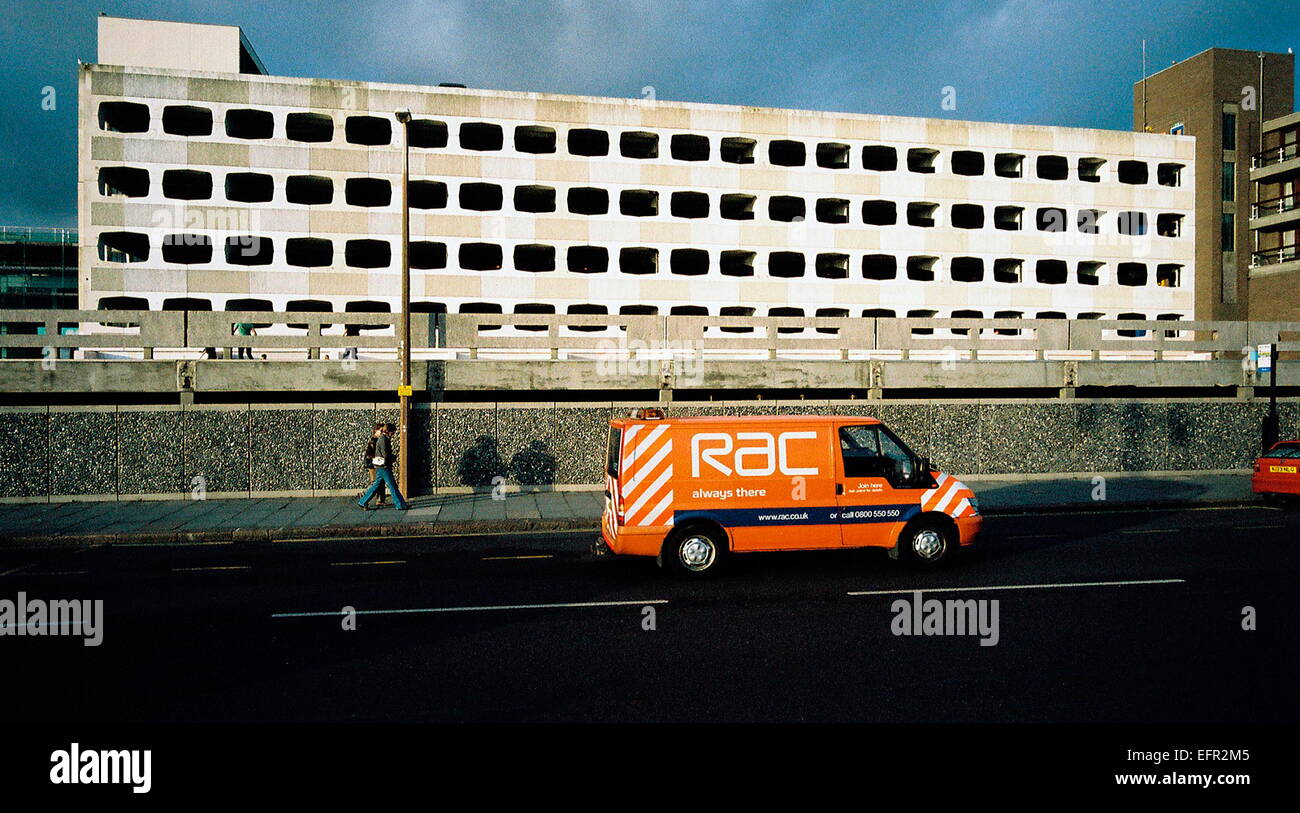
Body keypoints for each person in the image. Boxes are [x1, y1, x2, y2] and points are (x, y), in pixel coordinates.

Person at [358, 423, 408, 510]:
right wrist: (393, 457)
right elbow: (385, 454)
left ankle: (363, 501)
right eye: (393, 432)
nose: (393, 434)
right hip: (384, 467)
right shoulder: (384, 440)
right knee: (392, 485)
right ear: (388, 431)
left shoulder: (382, 439)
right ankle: (400, 504)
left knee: (376, 485)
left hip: (380, 467)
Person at [361, 423, 387, 507]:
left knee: (379, 481)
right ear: (376, 430)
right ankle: (365, 494)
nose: (382, 432)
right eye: (381, 430)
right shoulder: (374, 440)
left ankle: (380, 500)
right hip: (373, 464)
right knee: (376, 482)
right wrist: (377, 460)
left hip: (375, 463)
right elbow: (370, 453)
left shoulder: (378, 439)